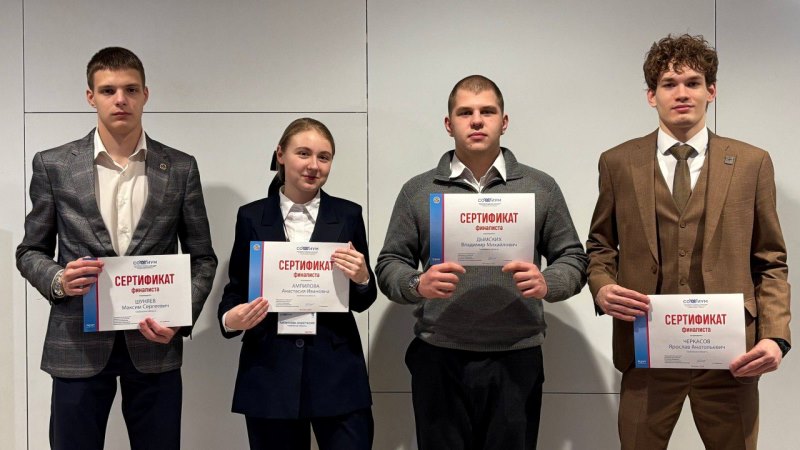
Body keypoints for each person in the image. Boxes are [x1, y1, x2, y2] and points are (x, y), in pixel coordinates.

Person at [586, 34, 791, 449]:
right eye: (669, 84)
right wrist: (602, 287)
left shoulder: (752, 163)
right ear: (652, 95)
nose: (682, 93)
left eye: (693, 82)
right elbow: (600, 247)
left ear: (711, 91)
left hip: (731, 359)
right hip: (646, 353)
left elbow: (770, 260)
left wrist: (776, 336)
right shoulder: (618, 162)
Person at [15, 47, 217, 450]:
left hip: (155, 341)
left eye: (130, 89)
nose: (120, 99)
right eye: (108, 90)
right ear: (90, 96)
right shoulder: (54, 165)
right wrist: (58, 279)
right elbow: (30, 250)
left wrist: (181, 316)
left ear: (146, 94)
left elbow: (203, 258)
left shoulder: (180, 168)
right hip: (77, 341)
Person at [375, 75, 588, 450]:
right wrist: (417, 284)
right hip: (439, 356)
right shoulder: (418, 191)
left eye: (487, 111)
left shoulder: (540, 187)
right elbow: (390, 262)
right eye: (465, 113)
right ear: (449, 124)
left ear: (504, 122)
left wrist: (548, 282)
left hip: (516, 356)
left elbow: (572, 257)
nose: (476, 120)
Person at [218, 118, 377, 450]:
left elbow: (362, 300)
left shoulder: (348, 214)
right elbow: (236, 288)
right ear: (280, 155)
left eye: (324, 157)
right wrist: (230, 319)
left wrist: (362, 277)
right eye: (303, 153)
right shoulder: (250, 216)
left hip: (337, 372)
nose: (313, 165)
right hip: (270, 371)